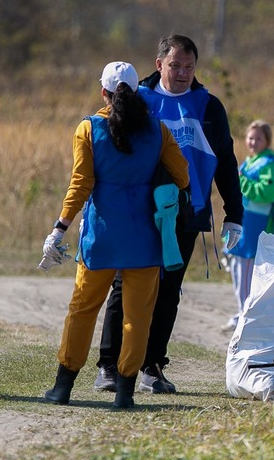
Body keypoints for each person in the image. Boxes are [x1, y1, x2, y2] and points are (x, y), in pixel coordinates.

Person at [93, 34, 244, 395]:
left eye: (189, 67)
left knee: (169, 290)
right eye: (175, 65)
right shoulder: (138, 100)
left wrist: (234, 213)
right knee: (124, 285)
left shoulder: (208, 107)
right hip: (138, 212)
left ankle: (151, 365)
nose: (182, 73)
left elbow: (225, 163)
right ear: (159, 64)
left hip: (187, 213)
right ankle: (109, 366)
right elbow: (108, 147)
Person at [42, 61, 190, 409]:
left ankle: (63, 387)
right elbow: (182, 176)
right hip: (145, 242)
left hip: (101, 239)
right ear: (137, 91)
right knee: (137, 317)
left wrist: (60, 227)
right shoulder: (158, 130)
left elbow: (81, 184)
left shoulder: (88, 129)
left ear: (103, 93)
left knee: (82, 310)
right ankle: (124, 392)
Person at [223, 120, 274, 330]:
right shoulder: (250, 161)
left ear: (267, 141)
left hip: (254, 226)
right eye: (251, 137)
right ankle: (243, 311)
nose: (253, 142)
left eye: (258, 138)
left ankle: (247, 314)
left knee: (247, 271)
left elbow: (269, 192)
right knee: (237, 269)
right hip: (243, 223)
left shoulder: (268, 164)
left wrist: (242, 182)